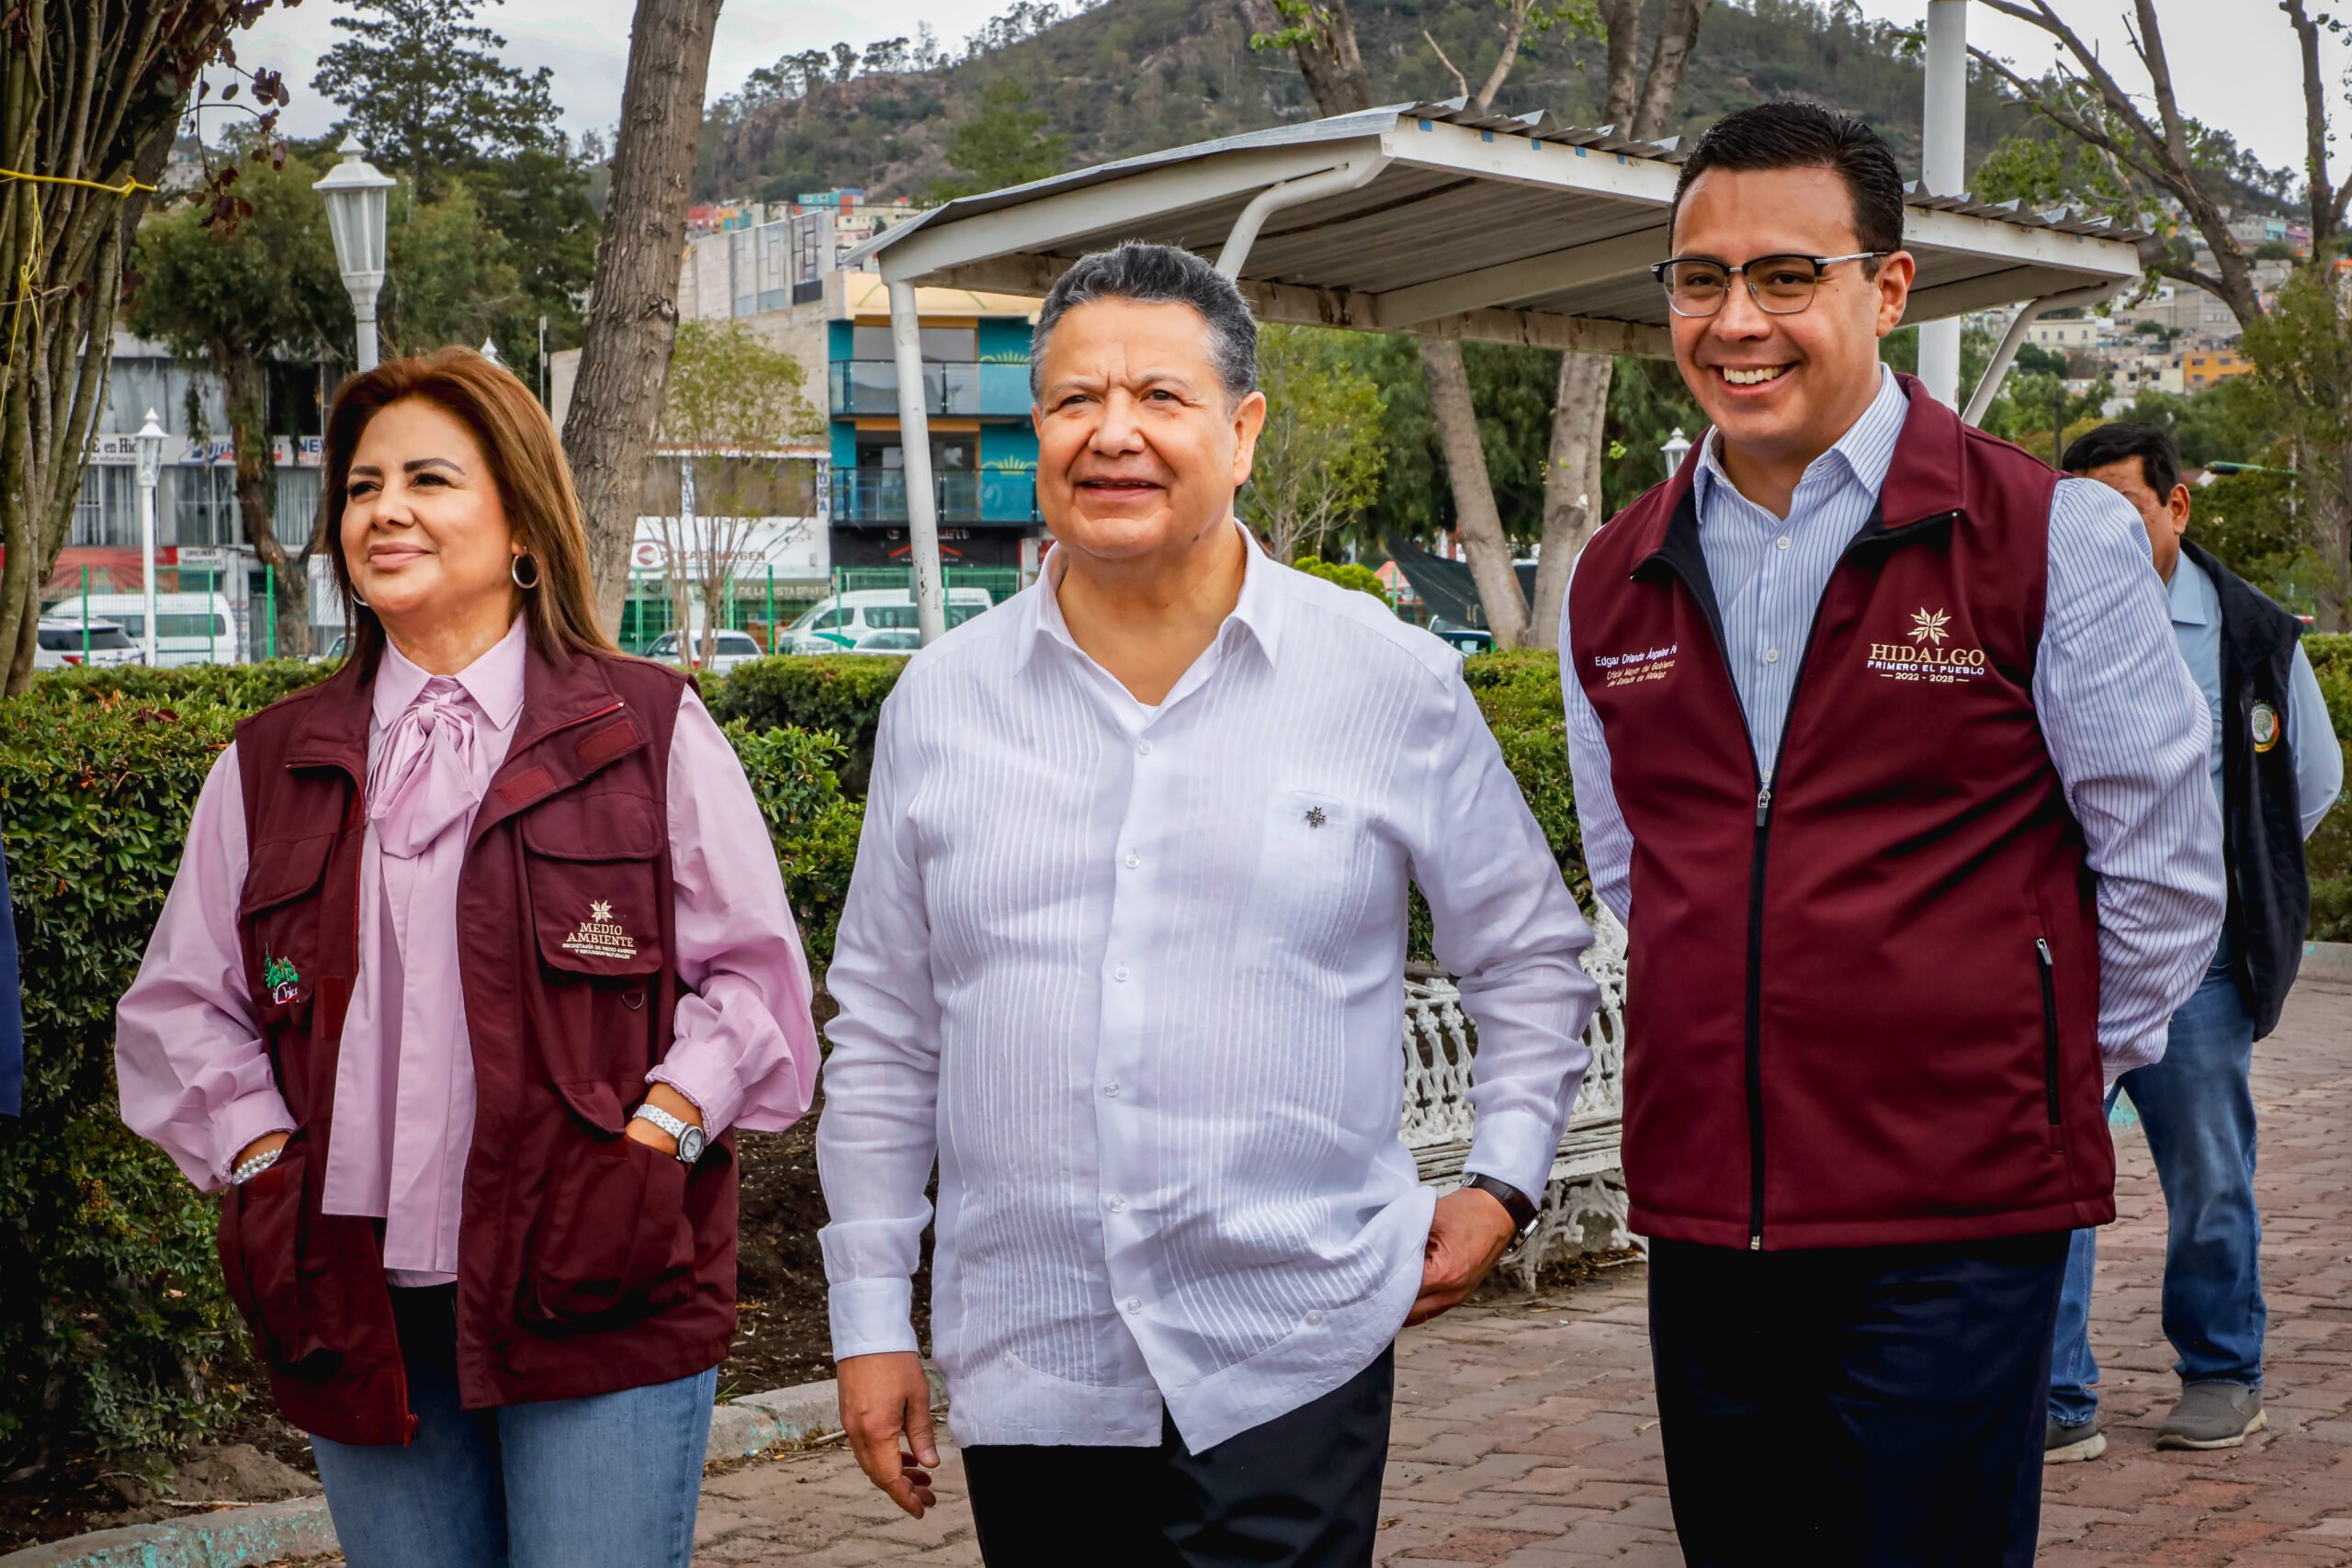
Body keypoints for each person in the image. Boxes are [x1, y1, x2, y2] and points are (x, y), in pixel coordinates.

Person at [819, 240, 1599, 1565]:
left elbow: (1526, 954)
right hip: (1035, 1353)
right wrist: (870, 1317)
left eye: (1160, 398)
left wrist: (1504, 1178)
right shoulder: (940, 704)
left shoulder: (1386, 678)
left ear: (1240, 433)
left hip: (1288, 1343)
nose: (1112, 432)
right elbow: (888, 1033)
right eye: (1074, 400)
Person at [1559, 103, 2226, 1566]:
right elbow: (1640, 871)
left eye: (1788, 276)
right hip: (1709, 1221)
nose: (1738, 320)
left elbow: (2166, 872)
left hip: (1955, 1219)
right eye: (1699, 279)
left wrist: (2024, 1073)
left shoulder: (2049, 535)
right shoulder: (1613, 577)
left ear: (1888, 286)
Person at [116, 347, 819, 1568]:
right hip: (355, 1299)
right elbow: (183, 1004)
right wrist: (264, 1158)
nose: (384, 508)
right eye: (360, 486)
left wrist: (659, 1137)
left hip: (597, 1282)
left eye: (429, 477)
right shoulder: (270, 761)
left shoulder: (646, 728)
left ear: (526, 529)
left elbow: (754, 982)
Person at [2044, 423, 2343, 1461]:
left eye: (2123, 513)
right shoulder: (2041, 617)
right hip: (2063, 957)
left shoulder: (2248, 631)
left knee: (2209, 1173)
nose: (2100, 541)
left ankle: (2221, 1373)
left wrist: (2232, 886)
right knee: (2052, 1175)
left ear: (2175, 508)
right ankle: (2054, 1398)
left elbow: (2304, 786)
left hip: (2199, 966)